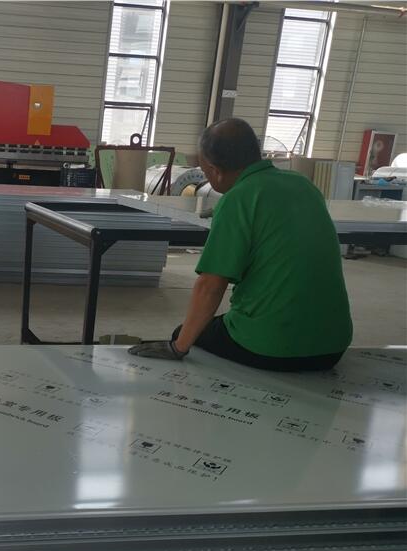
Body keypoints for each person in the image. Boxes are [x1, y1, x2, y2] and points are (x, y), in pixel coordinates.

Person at [129, 118, 352, 371]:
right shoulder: (304, 185)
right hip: (333, 347)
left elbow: (211, 286)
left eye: (205, 171)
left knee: (184, 333)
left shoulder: (237, 200)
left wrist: (178, 347)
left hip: (271, 345)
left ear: (216, 171)